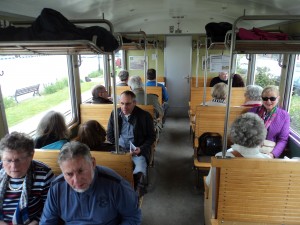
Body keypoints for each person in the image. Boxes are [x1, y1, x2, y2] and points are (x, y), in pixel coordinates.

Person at [40, 141, 141, 225]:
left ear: (93, 163)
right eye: (69, 174)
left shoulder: (116, 185)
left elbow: (132, 217)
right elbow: (47, 222)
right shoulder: (56, 188)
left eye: (81, 171)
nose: (77, 180)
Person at [0, 132, 55, 225]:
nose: (14, 166)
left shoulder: (44, 174)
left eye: (19, 160)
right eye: (8, 160)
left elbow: (50, 208)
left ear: (31, 155)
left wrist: (35, 222)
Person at [107, 90, 156, 194]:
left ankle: (136, 192)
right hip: (119, 150)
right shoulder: (115, 114)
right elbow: (110, 135)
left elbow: (151, 137)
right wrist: (117, 147)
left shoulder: (145, 116)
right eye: (122, 103)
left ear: (134, 103)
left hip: (137, 151)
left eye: (128, 104)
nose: (124, 107)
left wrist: (141, 149)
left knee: (138, 171)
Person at [205, 112, 272, 186]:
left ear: (234, 133)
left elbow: (209, 184)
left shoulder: (221, 157)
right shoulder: (268, 160)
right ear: (262, 134)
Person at [248, 85, 290, 158]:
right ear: (261, 98)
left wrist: (272, 154)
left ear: (278, 98)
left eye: (272, 98)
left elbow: (283, 139)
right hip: (251, 149)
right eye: (265, 98)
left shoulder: (284, 115)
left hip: (269, 151)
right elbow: (245, 133)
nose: (268, 101)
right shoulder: (252, 111)